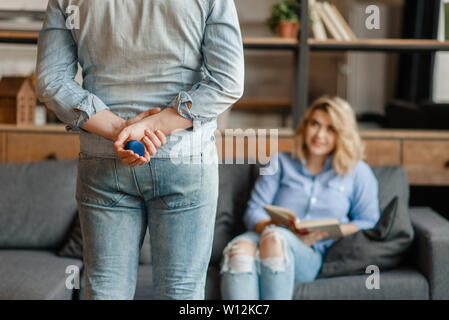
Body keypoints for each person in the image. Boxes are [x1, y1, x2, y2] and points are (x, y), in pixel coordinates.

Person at [36, 0, 244, 299]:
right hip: (183, 157)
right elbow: (228, 81)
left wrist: (120, 131)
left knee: (106, 289)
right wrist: (155, 125)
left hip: (104, 157)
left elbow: (50, 80)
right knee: (181, 292)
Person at [220, 96, 381, 300]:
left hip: (308, 251)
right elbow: (254, 211)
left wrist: (325, 233)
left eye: (330, 129)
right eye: (315, 124)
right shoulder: (280, 162)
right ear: (305, 126)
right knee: (239, 249)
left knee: (275, 239)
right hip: (267, 234)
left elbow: (368, 221)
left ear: (342, 134)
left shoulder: (357, 171)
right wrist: (275, 224)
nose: (320, 134)